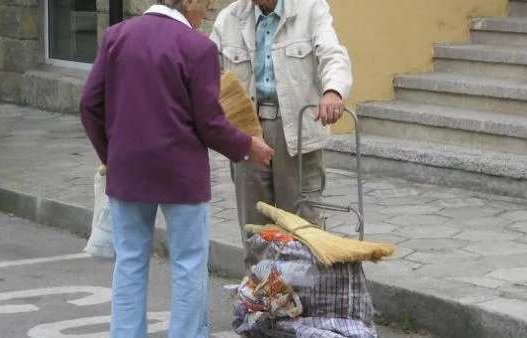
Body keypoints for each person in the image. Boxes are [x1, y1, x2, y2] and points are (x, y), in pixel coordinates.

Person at [79, 0, 275, 337]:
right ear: (189, 3)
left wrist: (111, 157)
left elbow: (89, 104)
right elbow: (210, 124)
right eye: (205, 7)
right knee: (188, 266)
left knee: (129, 262)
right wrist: (247, 145)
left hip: (128, 172)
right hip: (181, 176)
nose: (206, 15)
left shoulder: (116, 36)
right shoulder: (198, 48)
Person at [210, 0, 353, 251]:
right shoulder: (229, 18)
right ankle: (260, 287)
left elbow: (333, 55)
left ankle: (301, 290)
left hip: (297, 130)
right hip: (247, 131)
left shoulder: (310, 9)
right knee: (255, 233)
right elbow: (206, 71)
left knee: (302, 231)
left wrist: (333, 91)